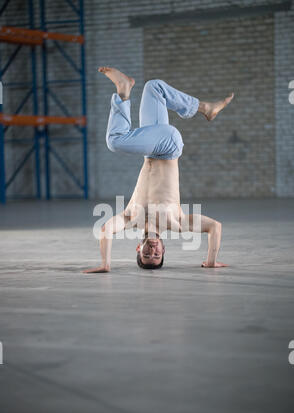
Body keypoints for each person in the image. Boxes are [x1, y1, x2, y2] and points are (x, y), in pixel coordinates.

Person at [83, 67, 234, 273]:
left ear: (138, 247)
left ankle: (205, 107)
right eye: (157, 255)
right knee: (115, 141)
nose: (152, 251)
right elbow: (215, 227)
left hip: (154, 147)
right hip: (168, 147)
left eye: (146, 254)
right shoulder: (178, 222)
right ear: (164, 248)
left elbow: (106, 229)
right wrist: (210, 261)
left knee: (154, 87)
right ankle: (123, 90)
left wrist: (105, 264)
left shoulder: (129, 217)